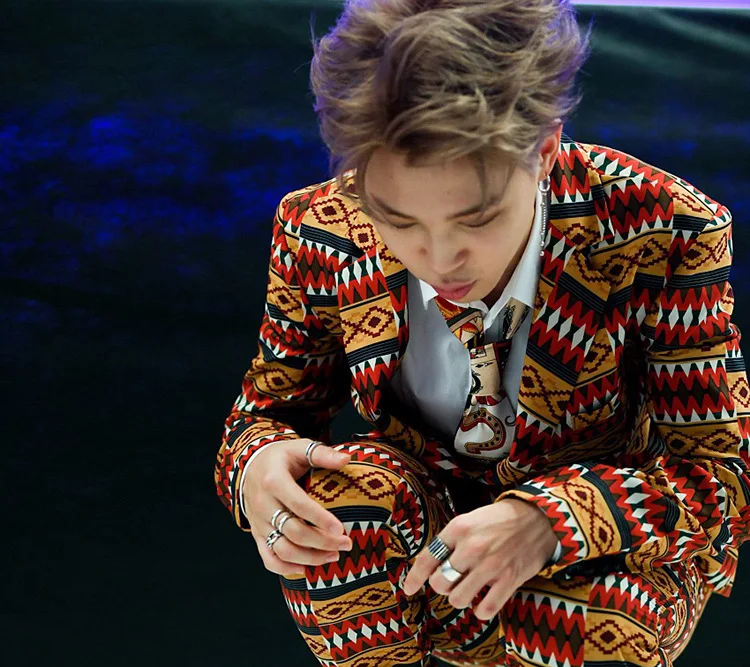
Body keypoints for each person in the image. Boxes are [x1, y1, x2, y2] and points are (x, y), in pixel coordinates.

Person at [214, 1, 750, 665]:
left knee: (615, 614)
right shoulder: (319, 228)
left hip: (595, 566)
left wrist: (554, 518)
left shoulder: (663, 227)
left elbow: (721, 478)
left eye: (477, 219)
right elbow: (264, 416)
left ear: (545, 150)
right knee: (339, 508)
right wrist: (257, 469)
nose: (440, 259)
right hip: (416, 546)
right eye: (398, 221)